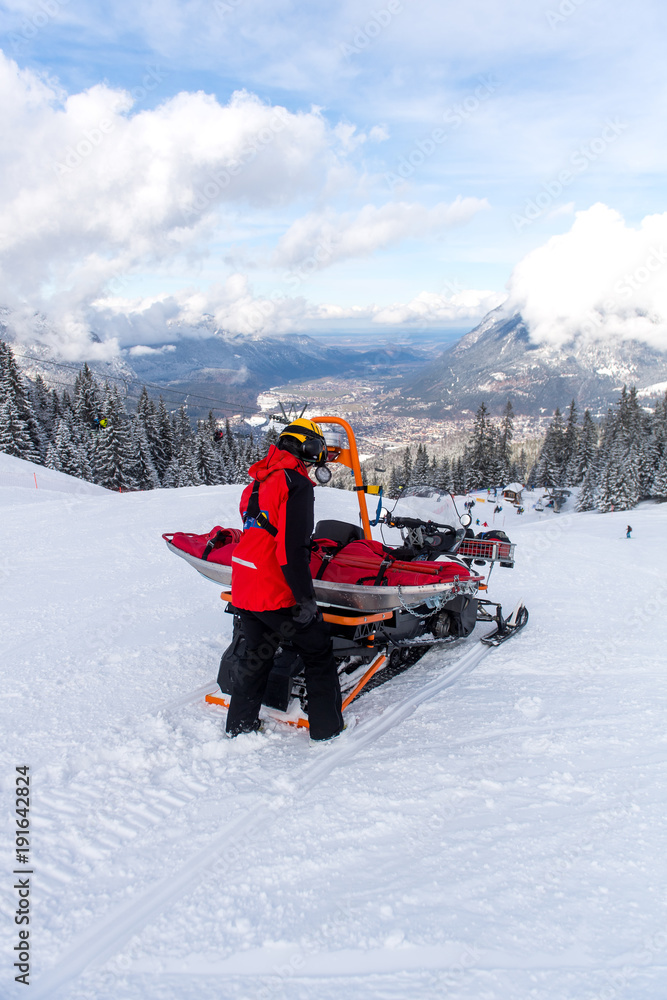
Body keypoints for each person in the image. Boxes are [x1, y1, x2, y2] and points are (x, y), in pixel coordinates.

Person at [226, 419, 344, 743]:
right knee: (318, 648)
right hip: (271, 585)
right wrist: (306, 599)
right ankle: (328, 730)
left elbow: (254, 527)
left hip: (244, 580)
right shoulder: (297, 484)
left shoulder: (257, 481)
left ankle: (239, 726)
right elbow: (292, 549)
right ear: (308, 447)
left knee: (257, 653)